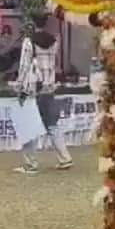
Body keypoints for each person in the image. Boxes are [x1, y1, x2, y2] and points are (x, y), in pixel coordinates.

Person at [13, 28, 72, 174]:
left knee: (29, 126)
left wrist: (19, 84)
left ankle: (30, 164)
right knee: (51, 124)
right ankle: (65, 158)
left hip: (32, 90)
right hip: (48, 88)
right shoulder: (54, 41)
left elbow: (24, 66)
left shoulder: (29, 42)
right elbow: (53, 64)